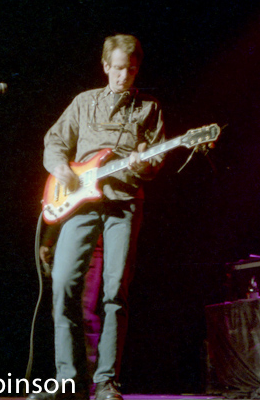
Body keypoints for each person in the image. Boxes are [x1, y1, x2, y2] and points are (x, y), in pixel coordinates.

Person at [34, 34, 165, 400]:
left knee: (115, 290)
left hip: (124, 202)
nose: (125, 75)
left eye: (132, 68)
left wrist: (144, 162)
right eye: (119, 67)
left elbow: (154, 161)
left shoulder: (148, 107)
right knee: (62, 283)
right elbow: (55, 140)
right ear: (106, 66)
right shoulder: (83, 102)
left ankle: (106, 381)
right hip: (81, 201)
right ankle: (68, 380)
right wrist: (61, 169)